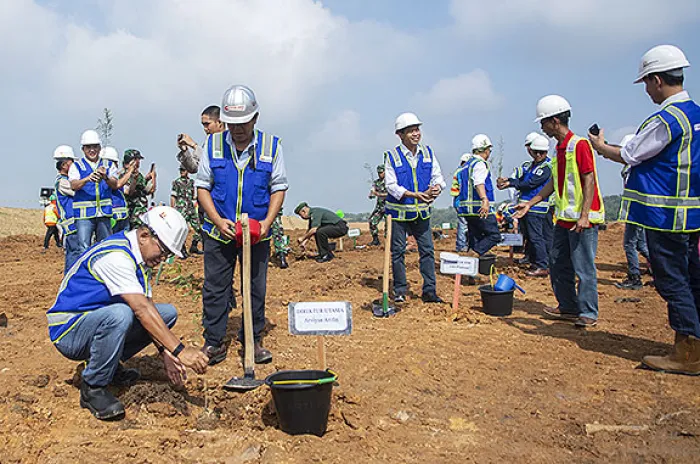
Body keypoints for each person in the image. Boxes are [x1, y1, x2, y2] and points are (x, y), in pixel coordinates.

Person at [589, 45, 700, 374]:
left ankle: (689, 350)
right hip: (691, 215)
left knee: (672, 281)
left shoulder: (668, 118)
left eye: (647, 85)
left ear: (656, 80)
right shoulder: (695, 114)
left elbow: (632, 153)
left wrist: (600, 147)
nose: (648, 92)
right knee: (693, 278)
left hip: (664, 216)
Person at [46, 206, 209, 420]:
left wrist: (166, 354)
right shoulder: (117, 256)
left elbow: (149, 308)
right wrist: (180, 350)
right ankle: (93, 387)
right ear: (144, 235)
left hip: (96, 321)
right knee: (121, 314)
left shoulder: (139, 260)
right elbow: (141, 310)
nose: (163, 259)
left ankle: (109, 366)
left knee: (166, 313)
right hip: (70, 330)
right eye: (163, 251)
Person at [196, 85, 288, 366]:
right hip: (218, 232)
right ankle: (214, 341)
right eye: (232, 123)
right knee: (215, 288)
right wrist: (216, 220)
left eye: (243, 123)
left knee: (255, 287)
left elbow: (278, 188)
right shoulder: (212, 146)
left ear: (255, 119)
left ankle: (253, 339)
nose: (237, 129)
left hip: (257, 234)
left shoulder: (272, 147)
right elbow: (202, 187)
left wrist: (266, 223)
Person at [515, 95, 605, 328]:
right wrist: (530, 203)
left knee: (583, 266)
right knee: (557, 263)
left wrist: (584, 216)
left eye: (543, 122)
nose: (542, 127)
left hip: (581, 220)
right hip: (564, 219)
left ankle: (588, 312)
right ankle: (568, 306)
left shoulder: (579, 145)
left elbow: (589, 179)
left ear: (555, 121)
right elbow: (554, 182)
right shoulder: (560, 149)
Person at [384, 112, 446, 304]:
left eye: (417, 130)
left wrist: (436, 189)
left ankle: (429, 290)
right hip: (399, 215)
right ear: (400, 135)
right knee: (398, 252)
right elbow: (391, 186)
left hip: (422, 213)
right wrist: (414, 195)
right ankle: (401, 290)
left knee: (427, 251)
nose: (415, 134)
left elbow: (438, 177)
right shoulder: (391, 157)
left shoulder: (428, 152)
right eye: (410, 131)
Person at [497, 134, 553, 277]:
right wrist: (509, 181)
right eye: (536, 152)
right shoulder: (531, 166)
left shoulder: (546, 167)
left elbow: (530, 183)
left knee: (537, 237)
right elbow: (522, 179)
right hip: (525, 207)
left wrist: (511, 183)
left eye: (542, 152)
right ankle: (535, 261)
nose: (539, 155)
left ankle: (542, 265)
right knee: (530, 236)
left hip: (537, 208)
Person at [69, 130, 120, 255]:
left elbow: (116, 184)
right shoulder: (77, 166)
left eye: (94, 147)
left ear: (99, 148)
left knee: (105, 247)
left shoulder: (108, 164)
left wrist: (105, 177)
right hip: (84, 215)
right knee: (84, 248)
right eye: (88, 147)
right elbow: (73, 185)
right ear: (83, 149)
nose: (92, 150)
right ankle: (86, 273)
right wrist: (87, 179)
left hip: (104, 213)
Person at [452, 134, 502, 257]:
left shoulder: (466, 165)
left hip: (467, 211)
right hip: (480, 209)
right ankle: (472, 254)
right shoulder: (479, 164)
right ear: (486, 150)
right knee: (494, 235)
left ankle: (472, 269)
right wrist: (484, 199)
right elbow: (479, 182)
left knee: (476, 238)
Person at [613, 134, 650, 290]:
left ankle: (635, 277)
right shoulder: (641, 167)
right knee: (641, 244)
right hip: (639, 211)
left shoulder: (633, 170)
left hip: (635, 211)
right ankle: (658, 268)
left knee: (630, 244)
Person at [54, 145, 81, 271]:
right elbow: (77, 192)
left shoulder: (65, 180)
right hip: (72, 225)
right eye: (72, 162)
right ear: (64, 165)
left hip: (74, 224)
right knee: (74, 255)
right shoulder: (63, 182)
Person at [177, 106, 226, 174]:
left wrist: (194, 145)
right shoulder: (208, 142)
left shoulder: (229, 140)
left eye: (207, 124)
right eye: (203, 125)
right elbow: (194, 168)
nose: (205, 128)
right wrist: (185, 150)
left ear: (219, 122)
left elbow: (213, 162)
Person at [100, 146, 135, 234]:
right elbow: (117, 184)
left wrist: (134, 177)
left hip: (122, 216)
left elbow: (128, 191)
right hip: (112, 217)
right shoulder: (104, 178)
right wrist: (129, 171)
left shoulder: (117, 176)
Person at [170, 165, 202, 257]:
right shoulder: (176, 182)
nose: (182, 172)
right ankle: (182, 250)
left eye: (183, 170)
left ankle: (194, 246)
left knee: (199, 228)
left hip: (190, 208)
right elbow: (173, 196)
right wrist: (173, 209)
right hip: (181, 208)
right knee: (181, 229)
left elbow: (193, 196)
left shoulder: (191, 182)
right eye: (180, 170)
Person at [123, 149, 156, 229]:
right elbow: (128, 192)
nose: (138, 163)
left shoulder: (139, 176)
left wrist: (152, 177)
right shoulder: (124, 176)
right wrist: (134, 179)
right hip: (132, 215)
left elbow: (149, 190)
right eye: (136, 160)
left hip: (142, 214)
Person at [453, 153, 471, 253]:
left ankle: (463, 245)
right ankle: (462, 245)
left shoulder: (457, 171)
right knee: (464, 224)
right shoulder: (465, 171)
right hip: (463, 202)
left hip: (458, 201)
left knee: (463, 224)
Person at [368, 165, 388, 246]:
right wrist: (372, 194)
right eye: (379, 173)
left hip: (388, 207)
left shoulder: (389, 182)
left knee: (388, 226)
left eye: (381, 172)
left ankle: (388, 242)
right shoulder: (377, 183)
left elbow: (389, 194)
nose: (380, 174)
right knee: (372, 221)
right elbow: (373, 192)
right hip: (379, 207)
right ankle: (375, 240)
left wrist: (378, 194)